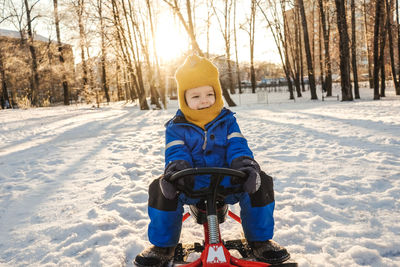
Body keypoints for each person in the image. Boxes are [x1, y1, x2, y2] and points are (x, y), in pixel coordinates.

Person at [135, 55, 290, 266]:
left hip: (228, 180)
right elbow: (176, 153)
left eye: (210, 93)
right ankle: (163, 246)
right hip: (190, 183)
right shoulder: (176, 126)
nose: (204, 100)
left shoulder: (227, 121)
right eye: (196, 96)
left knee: (261, 181)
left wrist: (245, 167)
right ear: (184, 98)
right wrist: (176, 173)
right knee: (159, 188)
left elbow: (238, 146)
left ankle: (261, 240)